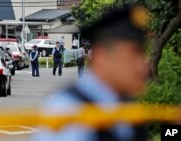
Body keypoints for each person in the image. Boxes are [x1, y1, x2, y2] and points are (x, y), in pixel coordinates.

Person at [35, 3, 149, 141]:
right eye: (133, 55)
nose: (143, 67)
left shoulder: (123, 106)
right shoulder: (70, 112)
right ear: (102, 57)